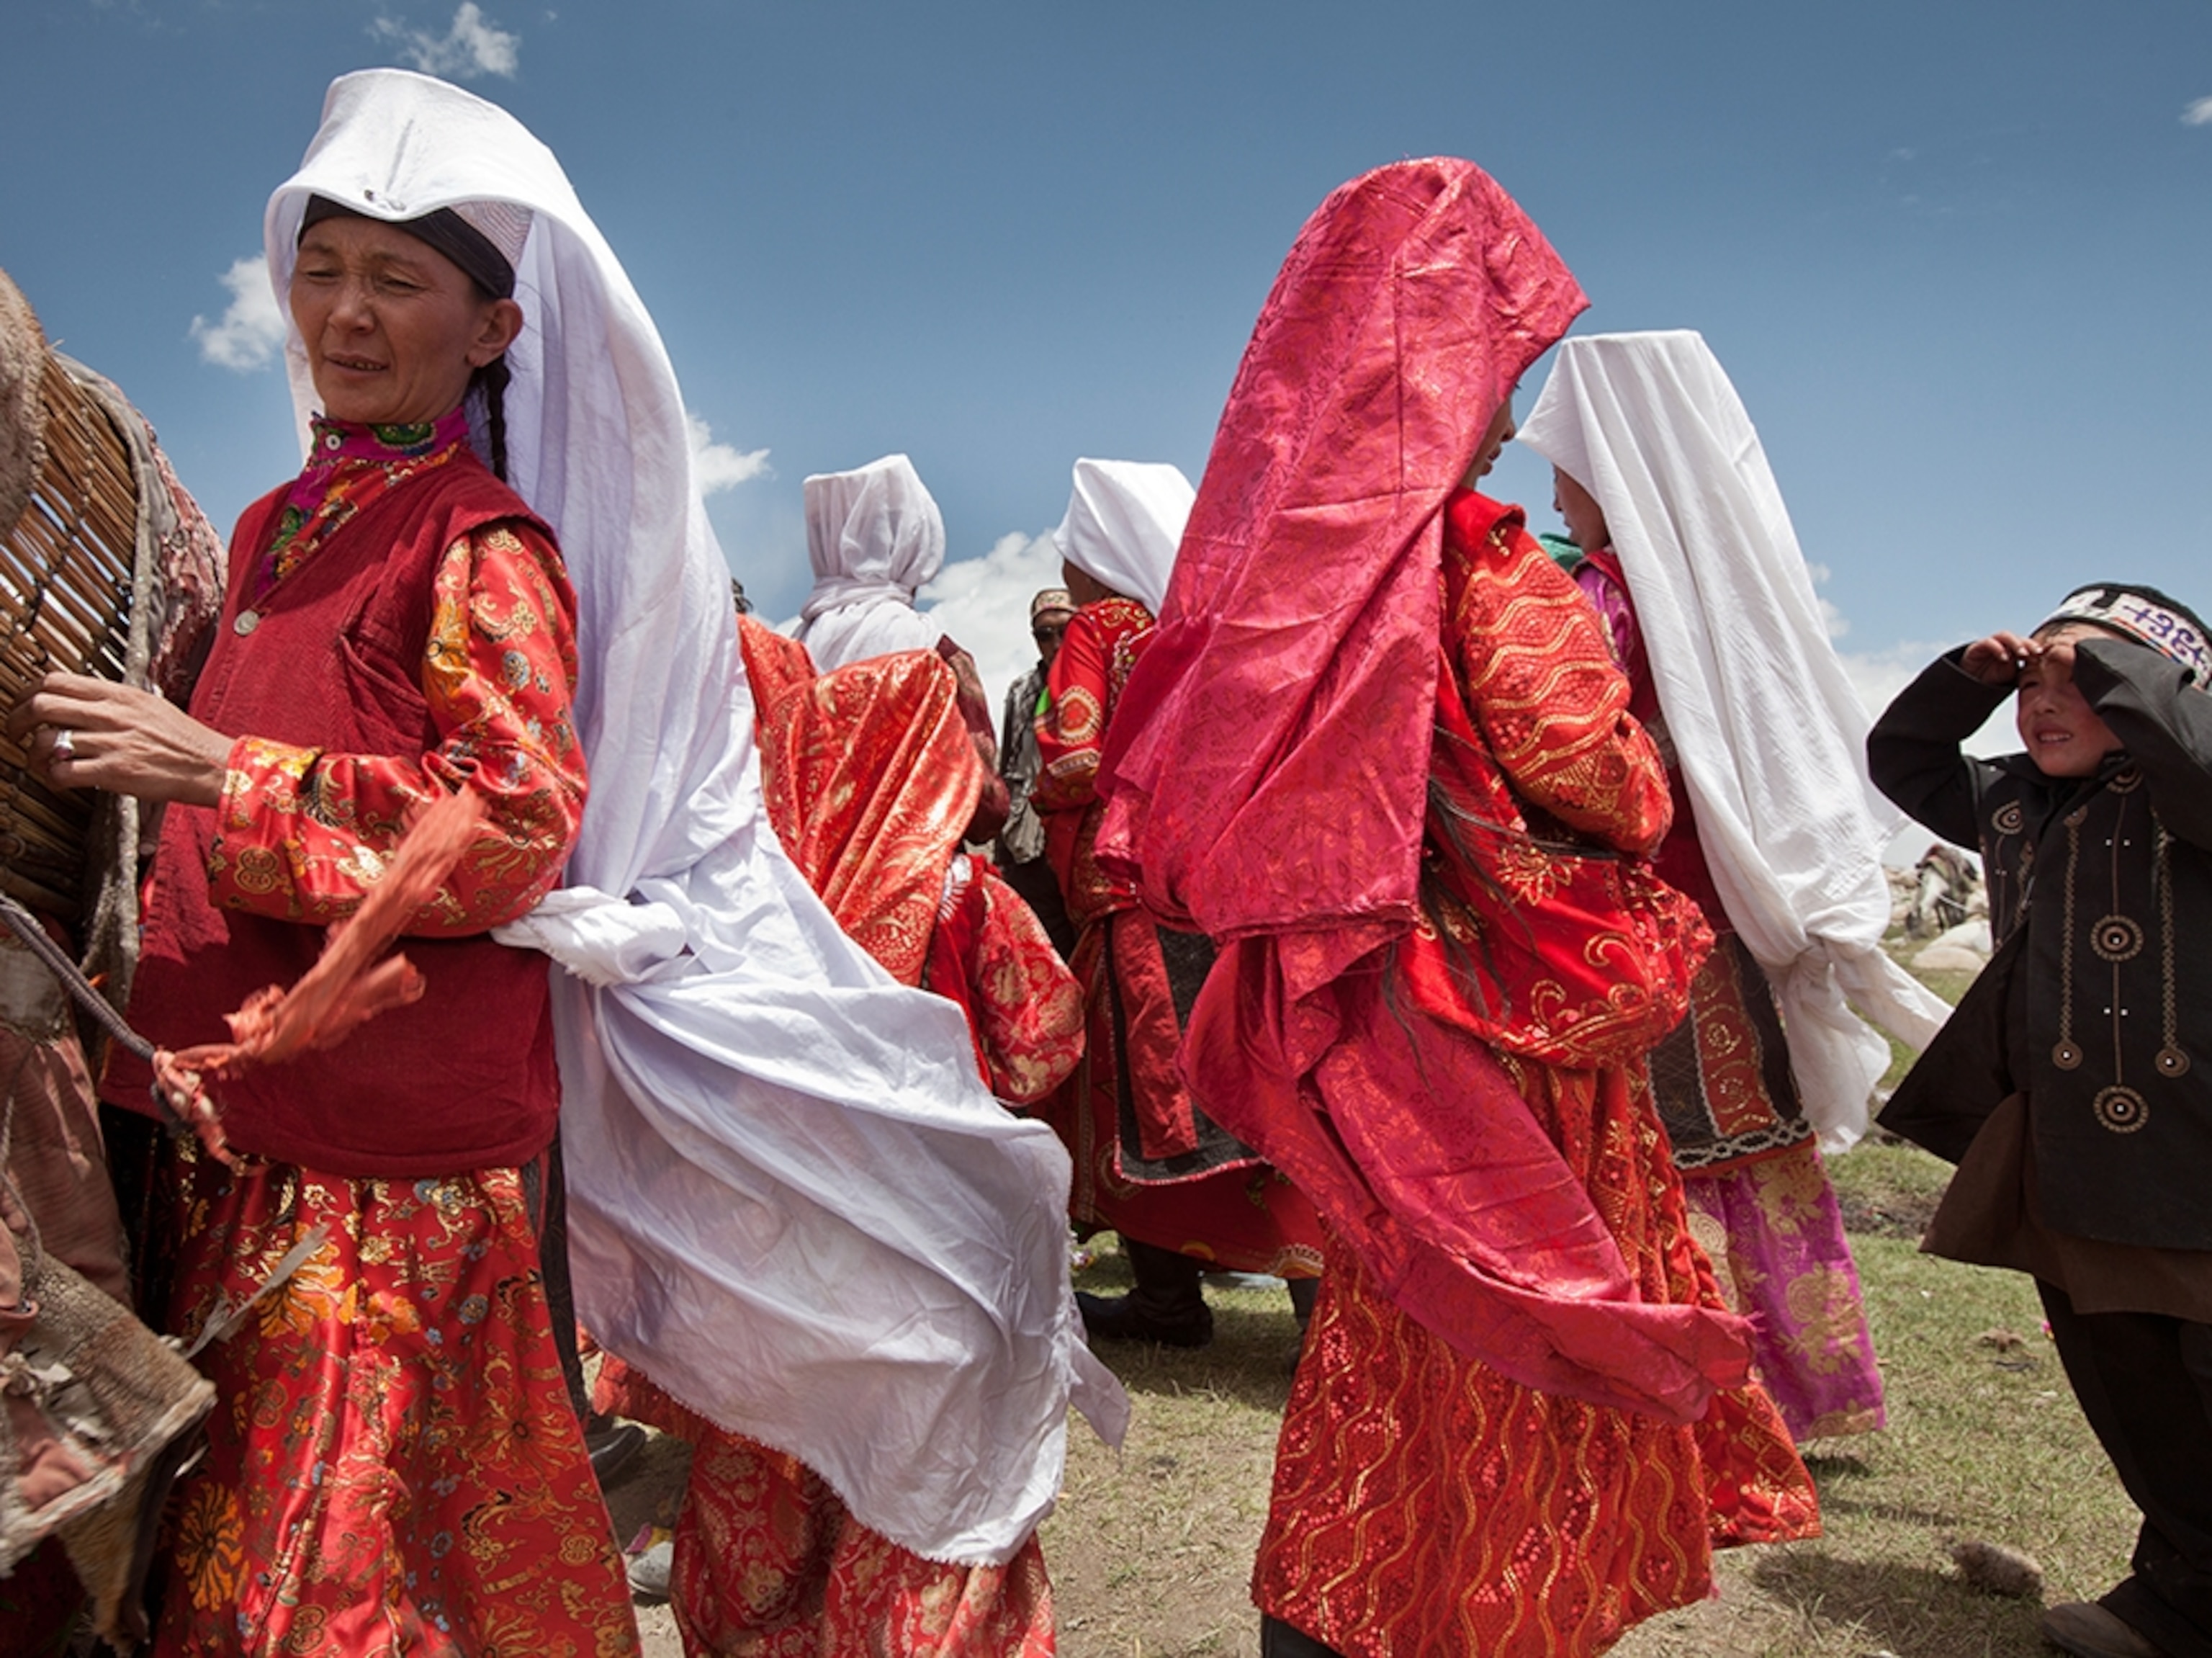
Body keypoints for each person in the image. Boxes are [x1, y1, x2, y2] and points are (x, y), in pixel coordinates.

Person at [1097, 159, 1818, 1655]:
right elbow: (1596, 776)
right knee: (1531, 1303)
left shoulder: (1278, 574)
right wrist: (1642, 761)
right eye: (1502, 366)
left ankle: (1348, 1593)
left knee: (1395, 1309)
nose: (1507, 407)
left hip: (1361, 1014)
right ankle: (1510, 1605)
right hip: (1510, 1016)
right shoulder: (1488, 561)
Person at [12, 90, 634, 1654]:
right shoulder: (275, 529)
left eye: (398, 282)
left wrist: (221, 769)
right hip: (234, 1136)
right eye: (324, 269)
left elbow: (509, 824)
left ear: (491, 326)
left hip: (382, 1189)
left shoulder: (483, 546)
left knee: (322, 1599)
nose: (347, 312)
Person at [611, 616, 1083, 1654]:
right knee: (919, 1493)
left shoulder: (756, 929)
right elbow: (1047, 1047)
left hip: (775, 1260)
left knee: (772, 1480)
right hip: (934, 1255)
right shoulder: (971, 901)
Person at [1519, 328, 1952, 1443]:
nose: (1555, 491)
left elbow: (1567, 756)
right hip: (1728, 918)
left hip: (1645, 927)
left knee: (1667, 1153)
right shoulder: (1720, 598)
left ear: (1613, 468)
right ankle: (1804, 1388)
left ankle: (1705, 1400)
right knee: (1755, 1149)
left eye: (1566, 464)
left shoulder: (1604, 602)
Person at [1869, 582, 2212, 1658]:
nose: (2043, 703)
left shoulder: (2187, 789)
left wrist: (2106, 656)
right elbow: (1906, 762)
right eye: (2030, 683)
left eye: (2083, 681)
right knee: (2130, 1389)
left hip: (2194, 1152)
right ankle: (2183, 1595)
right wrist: (1962, 680)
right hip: (2067, 1154)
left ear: (2162, 689)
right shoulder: (2013, 797)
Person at [1032, 458, 1322, 1348]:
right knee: (1258, 1086)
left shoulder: (1103, 626)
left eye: (1074, 552)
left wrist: (1109, 773)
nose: (1069, 570)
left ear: (1099, 554)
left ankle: (1168, 1300)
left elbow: (1070, 755)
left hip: (1136, 895)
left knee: (1139, 1098)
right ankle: (1317, 1308)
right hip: (1227, 893)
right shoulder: (1211, 628)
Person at [793, 453, 1009, 838]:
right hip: (912, 874)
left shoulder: (785, 653)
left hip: (798, 877)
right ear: (915, 540)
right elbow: (983, 804)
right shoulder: (937, 654)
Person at [997, 587, 1079, 956]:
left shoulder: (1098, 680)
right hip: (1031, 844)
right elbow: (1009, 767)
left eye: (1066, 630)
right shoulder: (1022, 692)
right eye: (1045, 634)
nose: (1056, 642)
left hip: (1081, 835)